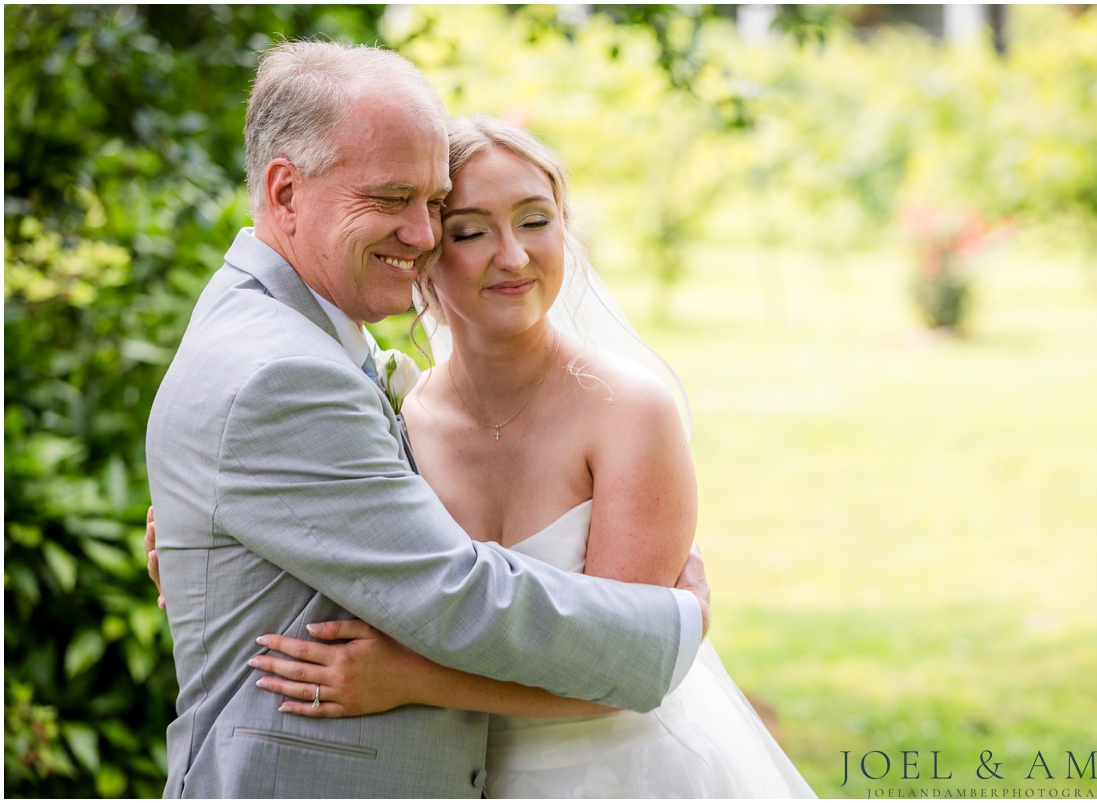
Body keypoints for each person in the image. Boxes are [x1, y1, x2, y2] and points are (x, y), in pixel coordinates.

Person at [144, 41, 709, 798]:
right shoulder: (287, 368)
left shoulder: (300, 337)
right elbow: (452, 590)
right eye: (391, 199)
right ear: (284, 192)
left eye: (432, 203)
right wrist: (667, 626)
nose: (421, 233)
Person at [241, 115, 818, 797]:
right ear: (424, 248)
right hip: (463, 774)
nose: (512, 256)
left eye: (535, 221)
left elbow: (619, 667)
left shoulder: (629, 410)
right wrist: (194, 533)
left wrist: (409, 679)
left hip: (629, 772)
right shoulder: (396, 411)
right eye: (472, 231)